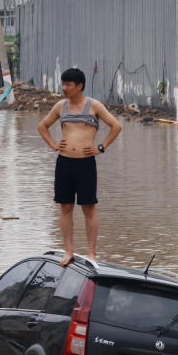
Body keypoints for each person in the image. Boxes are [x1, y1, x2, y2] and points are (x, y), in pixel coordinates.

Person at [37, 68, 122, 266]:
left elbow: (116, 126)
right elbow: (42, 126)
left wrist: (101, 147)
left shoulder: (94, 106)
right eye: (63, 84)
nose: (64, 88)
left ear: (79, 86)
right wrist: (53, 145)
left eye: (68, 85)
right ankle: (69, 251)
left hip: (85, 163)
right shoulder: (60, 106)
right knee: (65, 206)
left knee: (88, 207)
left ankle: (92, 253)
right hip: (64, 162)